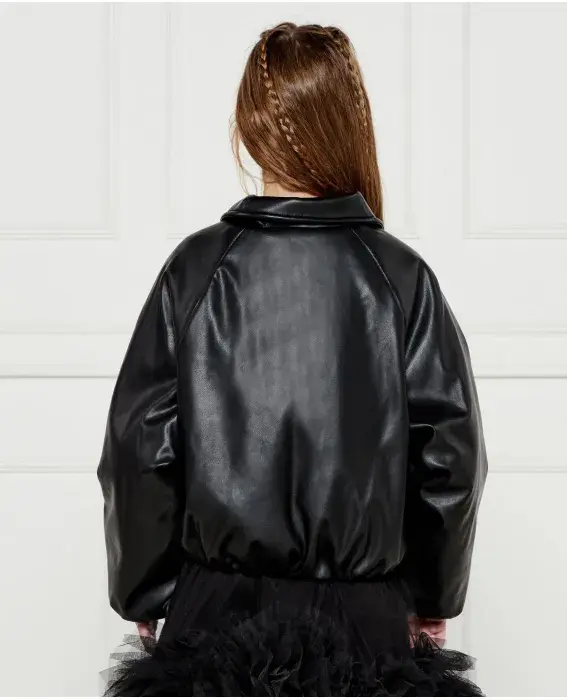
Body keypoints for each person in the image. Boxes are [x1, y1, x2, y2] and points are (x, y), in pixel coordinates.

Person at [97, 22, 487, 697]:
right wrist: (433, 595)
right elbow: (449, 455)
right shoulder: (399, 277)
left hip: (215, 613)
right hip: (364, 617)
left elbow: (140, 448)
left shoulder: (196, 270)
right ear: (349, 123)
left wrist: (144, 589)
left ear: (249, 130)